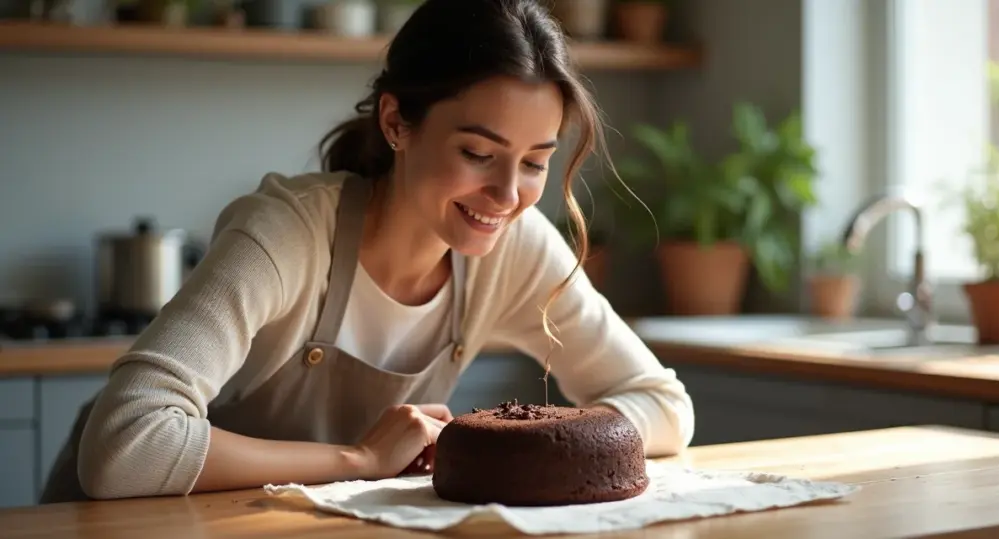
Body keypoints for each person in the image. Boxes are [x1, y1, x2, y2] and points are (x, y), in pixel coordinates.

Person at [40, 0, 695, 503]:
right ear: (395, 123)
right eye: (477, 153)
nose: (507, 193)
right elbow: (126, 444)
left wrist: (521, 443)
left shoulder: (513, 248)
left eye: (535, 162)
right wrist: (356, 460)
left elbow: (665, 407)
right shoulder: (285, 233)